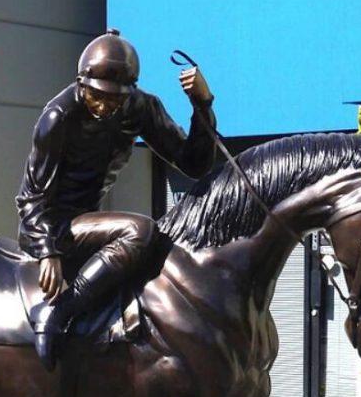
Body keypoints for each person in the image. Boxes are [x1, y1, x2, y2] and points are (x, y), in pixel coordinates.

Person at [16, 29, 216, 370]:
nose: (104, 106)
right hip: (51, 227)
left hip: (89, 223)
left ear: (130, 93)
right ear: (81, 84)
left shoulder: (139, 108)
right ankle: (58, 311)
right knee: (140, 230)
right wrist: (48, 250)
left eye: (114, 100)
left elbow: (194, 164)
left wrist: (203, 103)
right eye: (96, 96)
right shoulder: (58, 117)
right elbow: (31, 198)